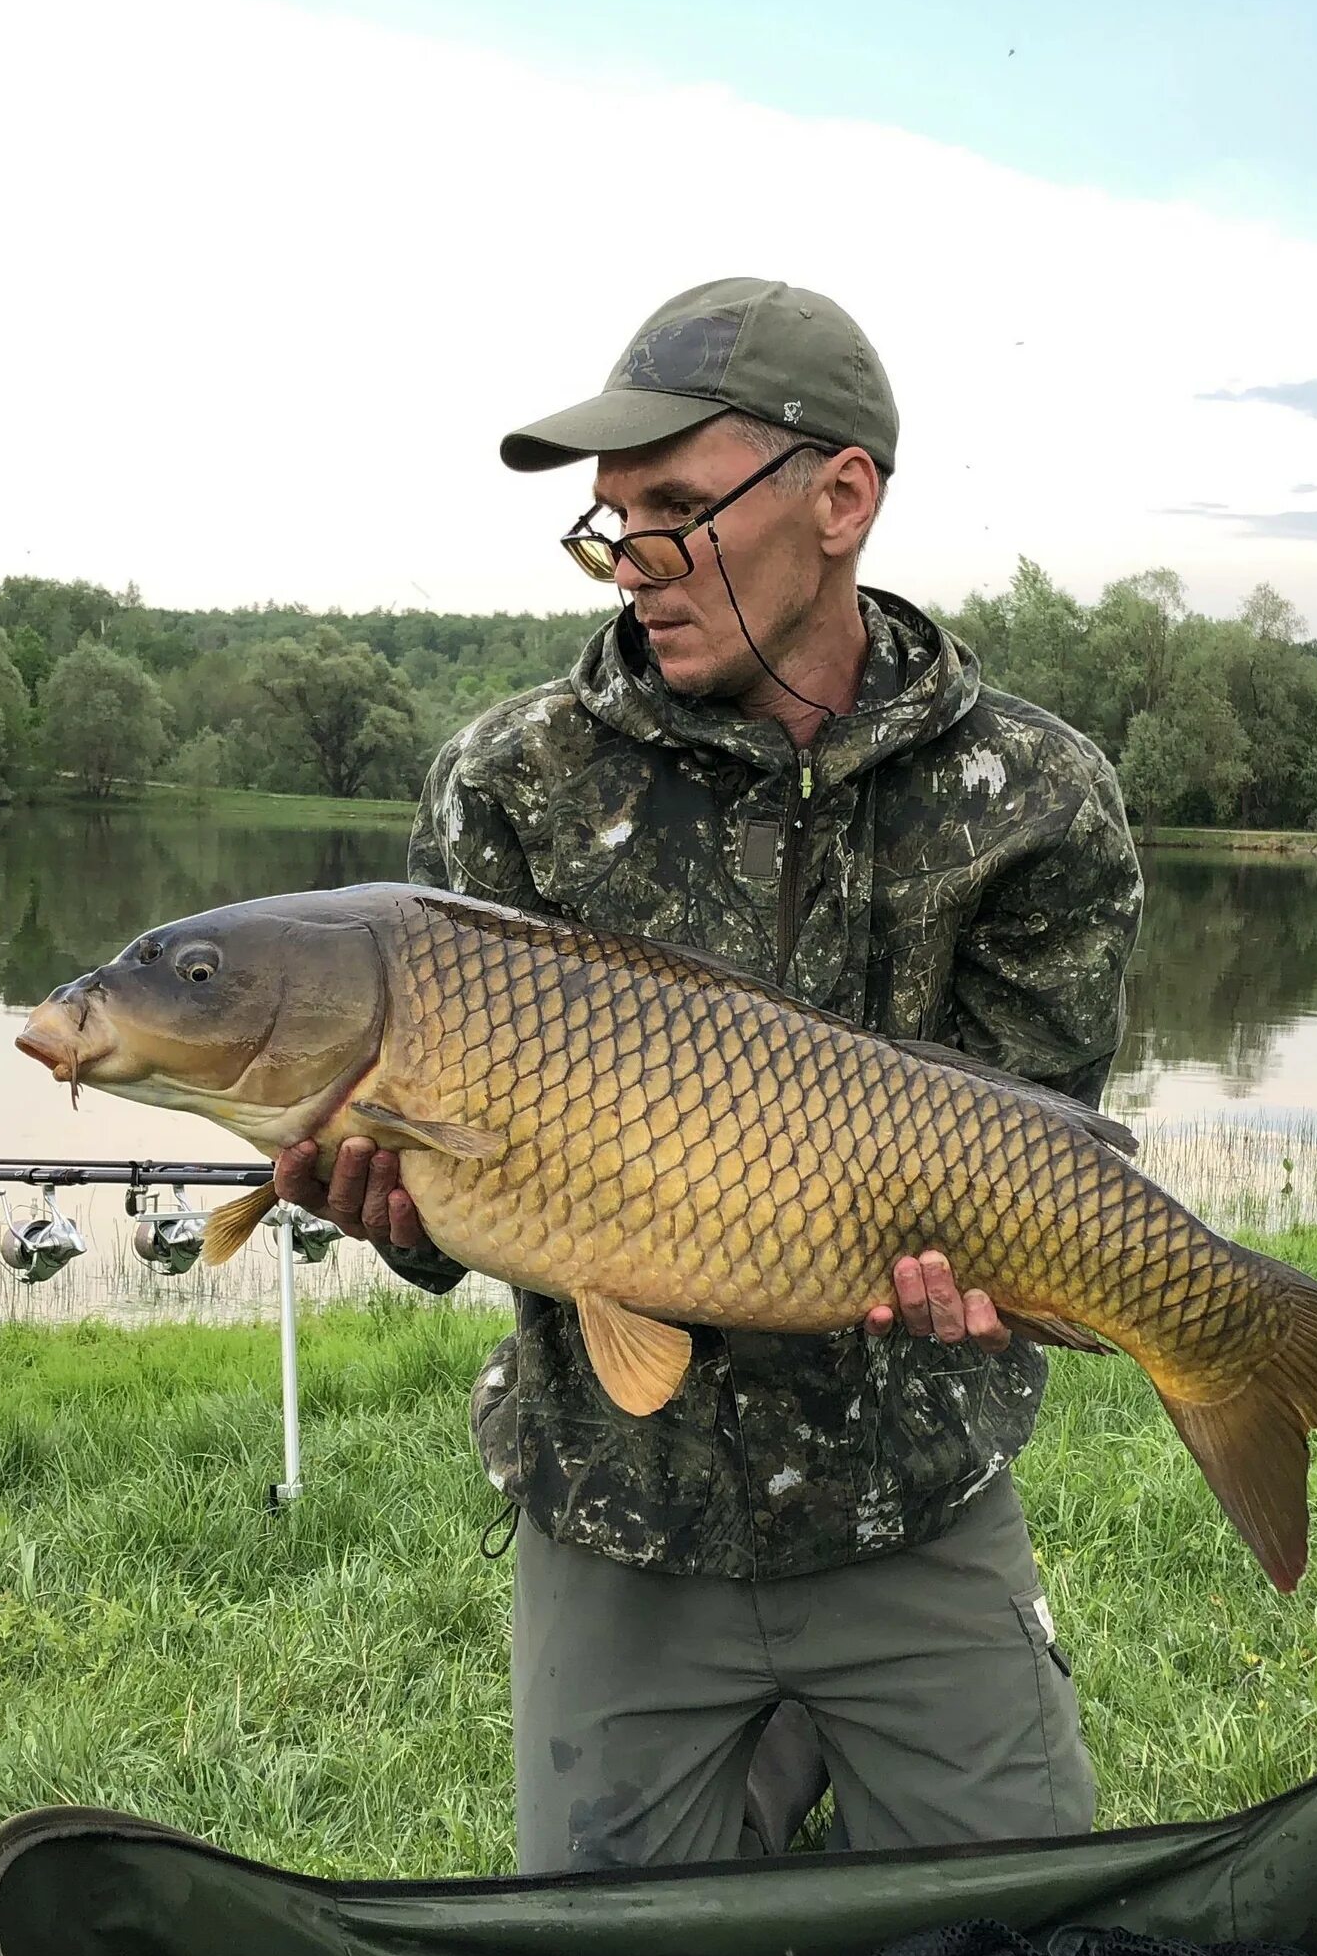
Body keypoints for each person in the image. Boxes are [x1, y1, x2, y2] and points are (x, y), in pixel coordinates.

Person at [274, 278, 1144, 1872]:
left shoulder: (1032, 797)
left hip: (912, 1491)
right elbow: (444, 1214)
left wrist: (1007, 1275)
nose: (635, 568)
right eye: (613, 526)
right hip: (621, 1502)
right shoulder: (513, 782)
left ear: (841, 498)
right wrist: (388, 1206)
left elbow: (1039, 1149)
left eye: (677, 512)